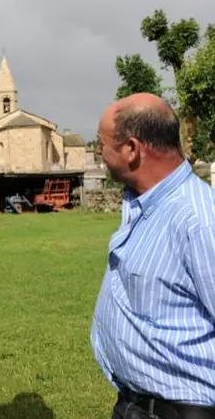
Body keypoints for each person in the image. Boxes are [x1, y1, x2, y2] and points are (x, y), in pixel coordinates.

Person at [90, 93, 215, 419]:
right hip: (136, 405)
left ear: (131, 149)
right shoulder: (143, 204)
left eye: (100, 144)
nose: (98, 153)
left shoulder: (200, 220)